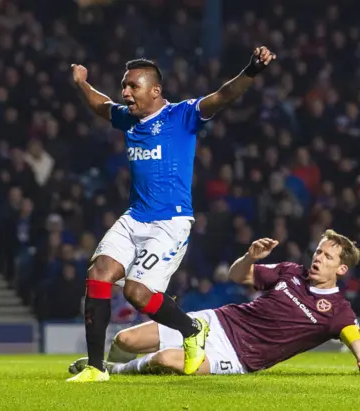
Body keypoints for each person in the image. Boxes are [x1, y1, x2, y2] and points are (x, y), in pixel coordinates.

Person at [67, 46, 277, 382]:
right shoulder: (127, 117)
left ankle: (191, 329)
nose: (125, 92)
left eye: (132, 86)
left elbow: (223, 95)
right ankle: (95, 368)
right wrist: (81, 83)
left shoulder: (182, 115)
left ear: (155, 90)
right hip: (135, 216)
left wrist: (252, 70)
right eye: (124, 85)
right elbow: (100, 105)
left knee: (136, 293)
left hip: (170, 222)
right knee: (98, 273)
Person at [69, 230, 360, 376]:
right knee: (126, 338)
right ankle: (103, 365)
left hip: (238, 356)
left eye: (327, 257)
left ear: (341, 269)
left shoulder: (338, 311)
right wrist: (249, 258)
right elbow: (238, 277)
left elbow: (359, 343)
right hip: (216, 322)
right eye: (318, 251)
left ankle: (112, 371)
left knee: (166, 360)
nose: (318, 259)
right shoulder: (291, 271)